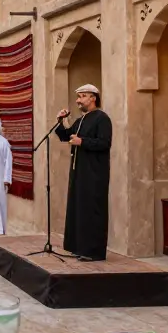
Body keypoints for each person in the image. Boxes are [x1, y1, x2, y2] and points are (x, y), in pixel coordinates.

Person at [54, 84, 112, 261]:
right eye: (78, 97)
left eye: (82, 96)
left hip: (94, 174)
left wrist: (83, 142)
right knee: (79, 209)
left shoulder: (102, 118)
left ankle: (93, 252)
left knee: (92, 210)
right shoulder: (80, 121)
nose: (78, 100)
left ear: (93, 98)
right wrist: (61, 120)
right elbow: (66, 136)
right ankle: (79, 247)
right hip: (79, 173)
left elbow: (104, 143)